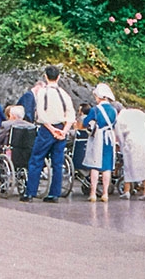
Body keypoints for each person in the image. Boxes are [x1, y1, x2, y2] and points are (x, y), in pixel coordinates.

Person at [21, 65, 74, 202]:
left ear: (45, 76)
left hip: (47, 129)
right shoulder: (64, 94)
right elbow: (70, 114)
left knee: (36, 159)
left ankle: (30, 192)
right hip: (62, 129)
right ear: (59, 77)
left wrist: (51, 129)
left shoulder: (42, 93)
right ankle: (54, 194)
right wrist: (63, 131)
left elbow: (41, 114)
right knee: (57, 162)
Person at [115, 106, 145, 200]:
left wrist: (122, 146)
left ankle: (126, 192)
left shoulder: (119, 118)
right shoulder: (136, 112)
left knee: (129, 166)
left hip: (131, 139)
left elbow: (119, 135)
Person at [82, 83, 118, 202]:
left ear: (100, 96)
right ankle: (105, 193)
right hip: (109, 138)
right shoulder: (113, 110)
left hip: (98, 138)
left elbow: (85, 122)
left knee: (95, 165)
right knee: (107, 167)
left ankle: (93, 193)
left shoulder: (95, 109)